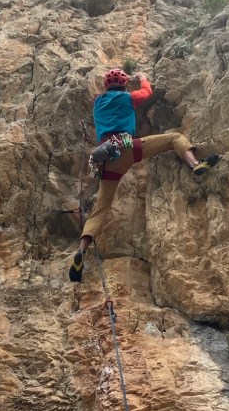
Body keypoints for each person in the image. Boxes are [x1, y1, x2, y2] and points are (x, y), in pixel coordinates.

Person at [68, 68, 218, 282]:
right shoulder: (127, 98)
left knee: (100, 208)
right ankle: (195, 164)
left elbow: (99, 98)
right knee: (174, 138)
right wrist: (141, 78)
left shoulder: (98, 102)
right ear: (124, 85)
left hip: (106, 160)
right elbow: (146, 92)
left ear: (106, 86)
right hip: (127, 147)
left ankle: (81, 251)